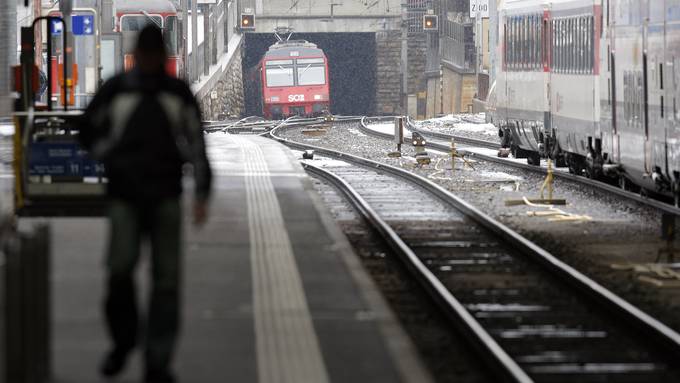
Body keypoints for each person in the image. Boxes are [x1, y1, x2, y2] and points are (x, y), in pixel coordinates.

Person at [79, 25, 212, 383]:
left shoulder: (173, 92)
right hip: (129, 195)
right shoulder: (120, 89)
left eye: (154, 55)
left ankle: (156, 360)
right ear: (140, 55)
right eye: (147, 55)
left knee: (163, 281)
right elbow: (87, 131)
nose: (151, 61)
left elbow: (197, 146)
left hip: (161, 196)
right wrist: (108, 155)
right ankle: (127, 342)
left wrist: (201, 193)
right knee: (123, 272)